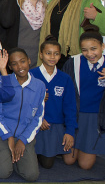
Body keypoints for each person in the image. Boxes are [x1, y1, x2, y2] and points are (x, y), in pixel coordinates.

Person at [62, 26, 105, 170]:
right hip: (77, 116)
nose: (89, 54)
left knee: (85, 165)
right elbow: (65, 93)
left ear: (102, 46)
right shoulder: (72, 63)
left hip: (97, 118)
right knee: (68, 161)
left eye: (94, 49)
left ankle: (89, 148)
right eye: (84, 50)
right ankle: (79, 145)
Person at [0, 48, 45, 181]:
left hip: (23, 135)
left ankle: (14, 158)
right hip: (1, 133)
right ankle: (4, 156)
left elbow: (38, 117)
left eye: (23, 61)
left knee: (31, 175)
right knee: (3, 173)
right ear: (9, 66)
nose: (20, 66)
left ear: (29, 61)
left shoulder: (39, 86)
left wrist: (23, 140)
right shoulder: (0, 81)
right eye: (14, 64)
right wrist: (8, 136)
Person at [29, 36, 77, 169]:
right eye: (48, 53)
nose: (52, 57)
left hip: (54, 126)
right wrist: (39, 118)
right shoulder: (31, 75)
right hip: (34, 124)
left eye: (56, 54)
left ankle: (50, 148)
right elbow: (25, 103)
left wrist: (70, 131)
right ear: (41, 54)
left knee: (48, 164)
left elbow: (70, 107)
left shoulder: (65, 78)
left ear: (60, 56)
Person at [1, 0, 47, 66]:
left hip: (38, 59)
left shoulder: (46, 8)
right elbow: (6, 22)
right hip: (17, 59)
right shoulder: (16, 3)